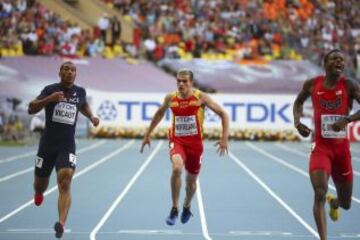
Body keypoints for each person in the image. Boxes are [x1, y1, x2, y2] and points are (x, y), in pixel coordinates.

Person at [140, 69, 229, 225]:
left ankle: (187, 205)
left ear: (191, 83)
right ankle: (174, 208)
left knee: (191, 183)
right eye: (178, 81)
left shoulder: (200, 97)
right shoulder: (171, 98)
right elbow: (159, 114)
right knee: (176, 168)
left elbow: (223, 114)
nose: (181, 84)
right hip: (177, 141)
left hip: (195, 145)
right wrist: (148, 134)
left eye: (184, 81)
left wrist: (224, 138)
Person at [293, 49, 360, 240]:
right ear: (325, 63)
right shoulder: (313, 84)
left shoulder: (348, 85)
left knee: (346, 203)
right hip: (321, 148)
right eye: (335, 59)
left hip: (341, 151)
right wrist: (297, 123)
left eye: (342, 59)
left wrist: (347, 119)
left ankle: (335, 203)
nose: (340, 62)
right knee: (320, 192)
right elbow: (298, 103)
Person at [28, 61, 100, 238]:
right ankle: (38, 193)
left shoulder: (80, 92)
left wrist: (91, 116)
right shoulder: (50, 89)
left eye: (73, 70)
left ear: (76, 74)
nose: (69, 72)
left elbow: (82, 105)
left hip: (67, 144)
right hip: (47, 144)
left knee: (65, 180)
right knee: (40, 184)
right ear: (60, 72)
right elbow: (31, 108)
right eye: (66, 69)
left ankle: (61, 223)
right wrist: (48, 100)